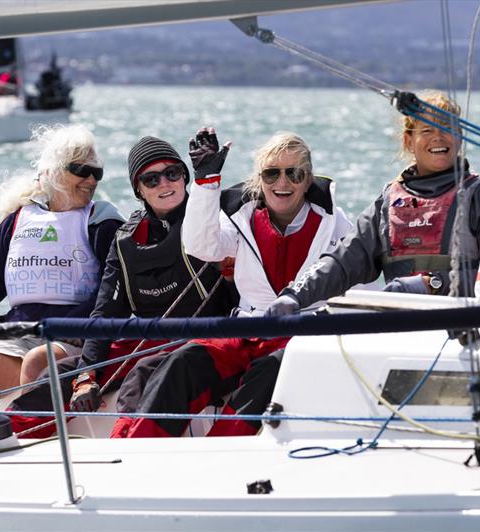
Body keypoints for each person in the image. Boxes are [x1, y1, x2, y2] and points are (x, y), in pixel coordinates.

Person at [122, 128, 354, 438]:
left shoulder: (335, 222)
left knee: (269, 371)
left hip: (302, 335)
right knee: (183, 361)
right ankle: (137, 452)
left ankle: (222, 452)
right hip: (248, 329)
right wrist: (205, 181)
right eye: (271, 174)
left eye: (294, 173)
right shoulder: (239, 215)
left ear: (308, 179)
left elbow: (359, 287)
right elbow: (201, 247)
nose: (282, 183)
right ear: (260, 179)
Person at [7, 136, 237, 438]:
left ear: (185, 177)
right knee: (60, 375)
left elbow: (247, 199)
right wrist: (86, 375)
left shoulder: (211, 220)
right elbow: (104, 314)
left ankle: (125, 450)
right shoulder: (125, 240)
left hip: (204, 340)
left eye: (173, 173)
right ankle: (8, 444)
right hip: (145, 341)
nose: (164, 184)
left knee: (141, 375)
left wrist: (208, 177)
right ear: (138, 190)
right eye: (151, 179)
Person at [0, 124, 124, 438]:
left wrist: (78, 326)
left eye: (96, 173)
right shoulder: (18, 220)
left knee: (37, 362)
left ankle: (27, 445)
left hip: (77, 334)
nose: (90, 180)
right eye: (81, 170)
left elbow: (113, 292)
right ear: (53, 171)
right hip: (21, 331)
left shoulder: (102, 223)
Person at [266, 90, 480, 318]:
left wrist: (433, 283)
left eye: (447, 128)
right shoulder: (388, 201)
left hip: (462, 328)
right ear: (408, 140)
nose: (438, 137)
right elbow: (343, 260)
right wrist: (295, 294)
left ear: (460, 137)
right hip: (397, 328)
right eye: (427, 130)